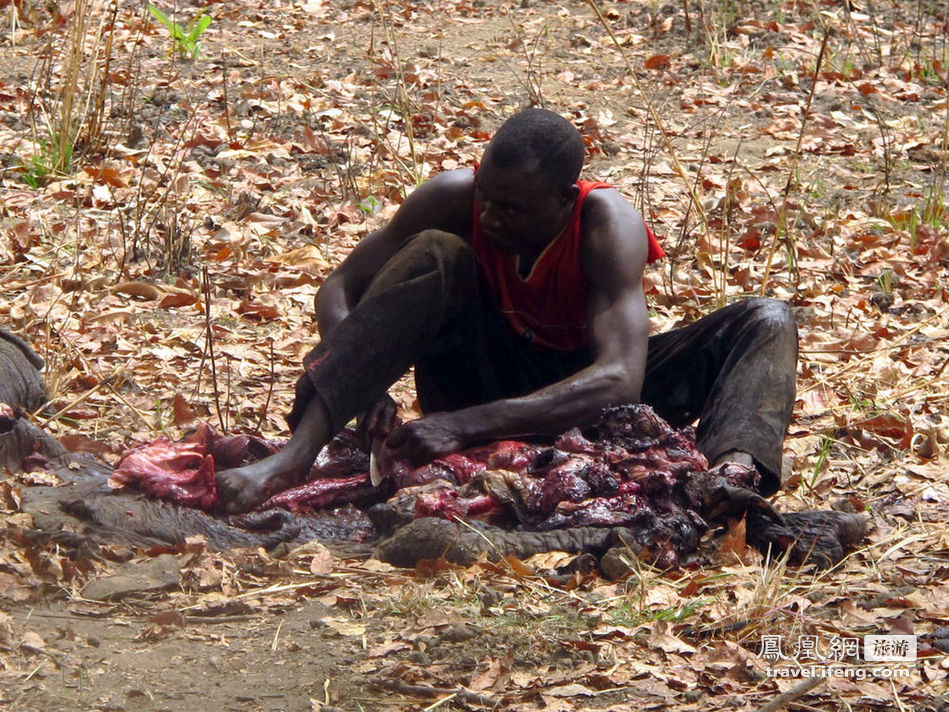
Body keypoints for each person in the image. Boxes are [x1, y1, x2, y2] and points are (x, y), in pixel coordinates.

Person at [216, 108, 798, 513]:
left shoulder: (605, 224)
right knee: (436, 251)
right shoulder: (453, 197)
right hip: (480, 376)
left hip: (582, 397)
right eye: (488, 199)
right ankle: (294, 458)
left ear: (564, 201)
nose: (492, 219)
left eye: (514, 209)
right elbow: (339, 287)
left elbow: (620, 378)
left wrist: (460, 428)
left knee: (765, 318)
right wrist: (365, 389)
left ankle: (730, 481)